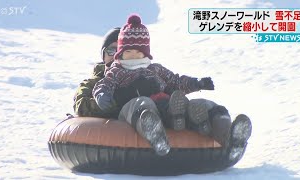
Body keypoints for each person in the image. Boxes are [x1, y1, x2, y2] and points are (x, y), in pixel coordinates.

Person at [92, 14, 216, 156]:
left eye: (138, 51)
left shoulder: (155, 69)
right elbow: (104, 84)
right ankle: (156, 136)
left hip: (160, 106)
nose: (133, 55)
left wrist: (196, 83)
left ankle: (184, 118)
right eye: (128, 51)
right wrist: (102, 95)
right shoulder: (117, 70)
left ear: (145, 52)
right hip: (132, 110)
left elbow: (176, 81)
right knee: (143, 103)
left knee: (172, 101)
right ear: (121, 53)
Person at [73, 27, 120, 118]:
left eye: (121, 52)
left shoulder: (139, 78)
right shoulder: (91, 83)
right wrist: (115, 101)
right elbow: (80, 104)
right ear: (103, 55)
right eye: (111, 51)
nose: (115, 56)